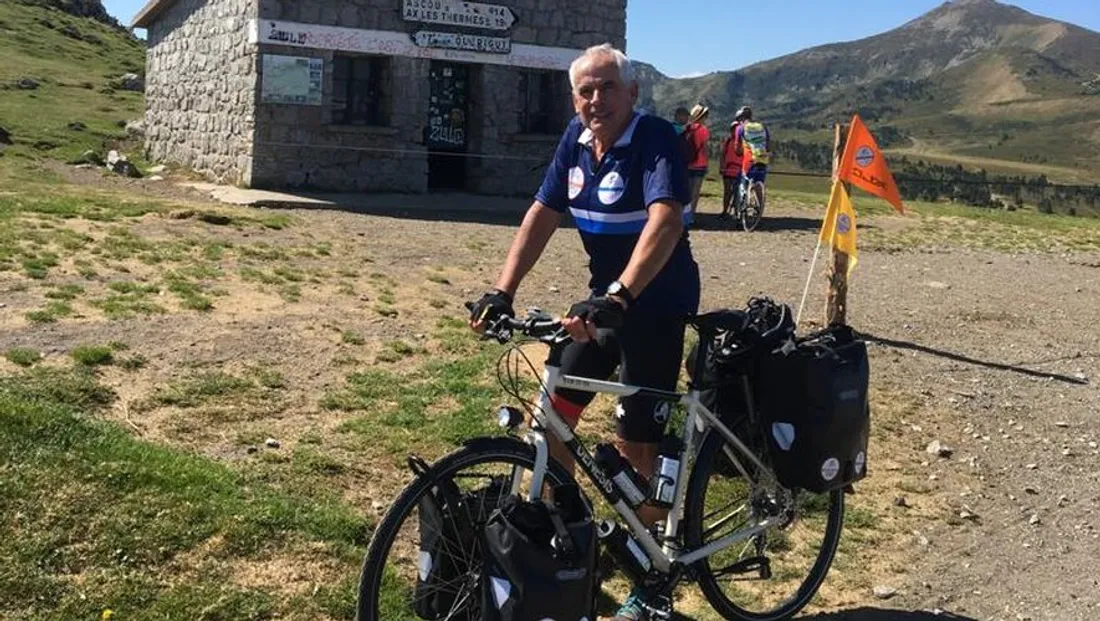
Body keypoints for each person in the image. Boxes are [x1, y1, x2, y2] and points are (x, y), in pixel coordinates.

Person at [467, 43, 700, 621]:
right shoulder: (575, 139)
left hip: (655, 302)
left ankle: (653, 575)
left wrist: (622, 295)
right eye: (585, 91)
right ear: (574, 99)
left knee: (636, 443)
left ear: (632, 93)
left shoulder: (654, 138)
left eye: (607, 88)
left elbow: (666, 220)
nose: (596, 100)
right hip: (602, 306)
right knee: (550, 421)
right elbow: (542, 214)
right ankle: (569, 547)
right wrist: (503, 290)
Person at [733, 106, 771, 201]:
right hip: (763, 159)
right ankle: (760, 206)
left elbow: (737, 148)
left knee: (742, 181)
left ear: (741, 118)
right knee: (759, 182)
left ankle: (742, 203)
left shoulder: (740, 128)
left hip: (749, 160)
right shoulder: (762, 126)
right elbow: (768, 146)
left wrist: (740, 152)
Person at [682, 104, 710, 214]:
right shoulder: (703, 130)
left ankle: (684, 213)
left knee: (687, 191)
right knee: (695, 192)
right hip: (700, 164)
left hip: (687, 163)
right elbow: (705, 148)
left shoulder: (687, 128)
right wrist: (707, 163)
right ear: (702, 117)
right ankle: (691, 214)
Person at [719, 119, 744, 219]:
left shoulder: (743, 142)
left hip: (738, 170)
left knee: (738, 193)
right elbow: (723, 155)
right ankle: (725, 211)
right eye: (733, 129)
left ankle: (737, 212)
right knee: (727, 192)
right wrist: (722, 166)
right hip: (728, 170)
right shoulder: (728, 141)